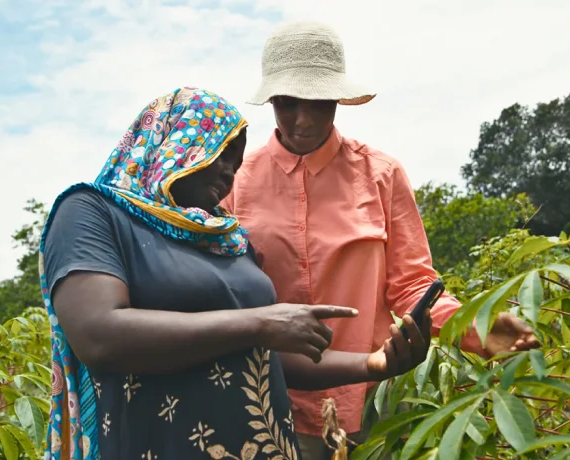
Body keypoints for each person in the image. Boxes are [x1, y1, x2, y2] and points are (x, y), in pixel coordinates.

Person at [39, 87, 433, 460]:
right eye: (221, 154)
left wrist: (371, 365)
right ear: (178, 144)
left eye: (237, 160)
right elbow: (98, 335)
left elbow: (263, 355)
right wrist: (259, 322)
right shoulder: (92, 212)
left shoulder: (225, 237)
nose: (231, 172)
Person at [222, 21, 541, 460]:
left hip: (372, 398)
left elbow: (412, 286)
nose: (304, 118)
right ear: (272, 100)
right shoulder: (235, 181)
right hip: (273, 400)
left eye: (319, 101)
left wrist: (480, 328)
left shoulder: (380, 175)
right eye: (288, 102)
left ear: (336, 98)